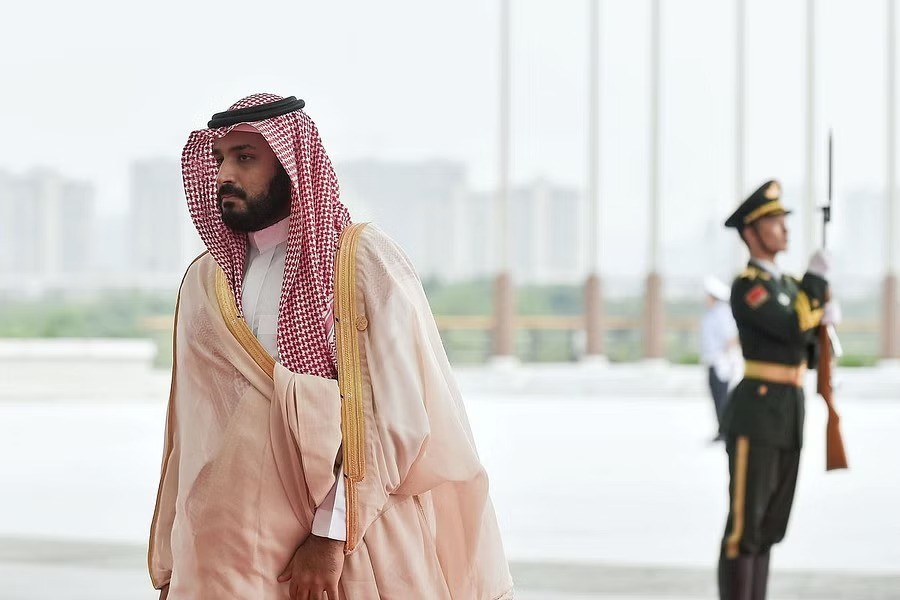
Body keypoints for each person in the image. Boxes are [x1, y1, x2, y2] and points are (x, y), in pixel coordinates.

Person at [148, 93, 513, 600]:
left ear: (292, 163)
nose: (223, 175)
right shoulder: (203, 283)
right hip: (224, 551)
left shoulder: (360, 262)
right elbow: (187, 435)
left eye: (245, 158)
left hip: (344, 546)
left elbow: (395, 416)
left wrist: (329, 536)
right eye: (218, 160)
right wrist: (174, 560)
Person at [717, 180, 836, 600]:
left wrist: (822, 318)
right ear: (751, 232)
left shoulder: (787, 286)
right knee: (744, 528)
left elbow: (805, 347)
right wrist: (817, 286)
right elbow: (788, 327)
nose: (784, 228)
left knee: (769, 528)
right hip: (758, 411)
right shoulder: (748, 286)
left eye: (784, 219)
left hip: (789, 409)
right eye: (773, 221)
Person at [699, 276, 741, 442]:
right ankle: (721, 429)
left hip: (720, 361)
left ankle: (726, 430)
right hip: (712, 361)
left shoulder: (722, 313)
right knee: (717, 397)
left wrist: (728, 359)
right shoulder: (713, 313)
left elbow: (731, 338)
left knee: (723, 397)